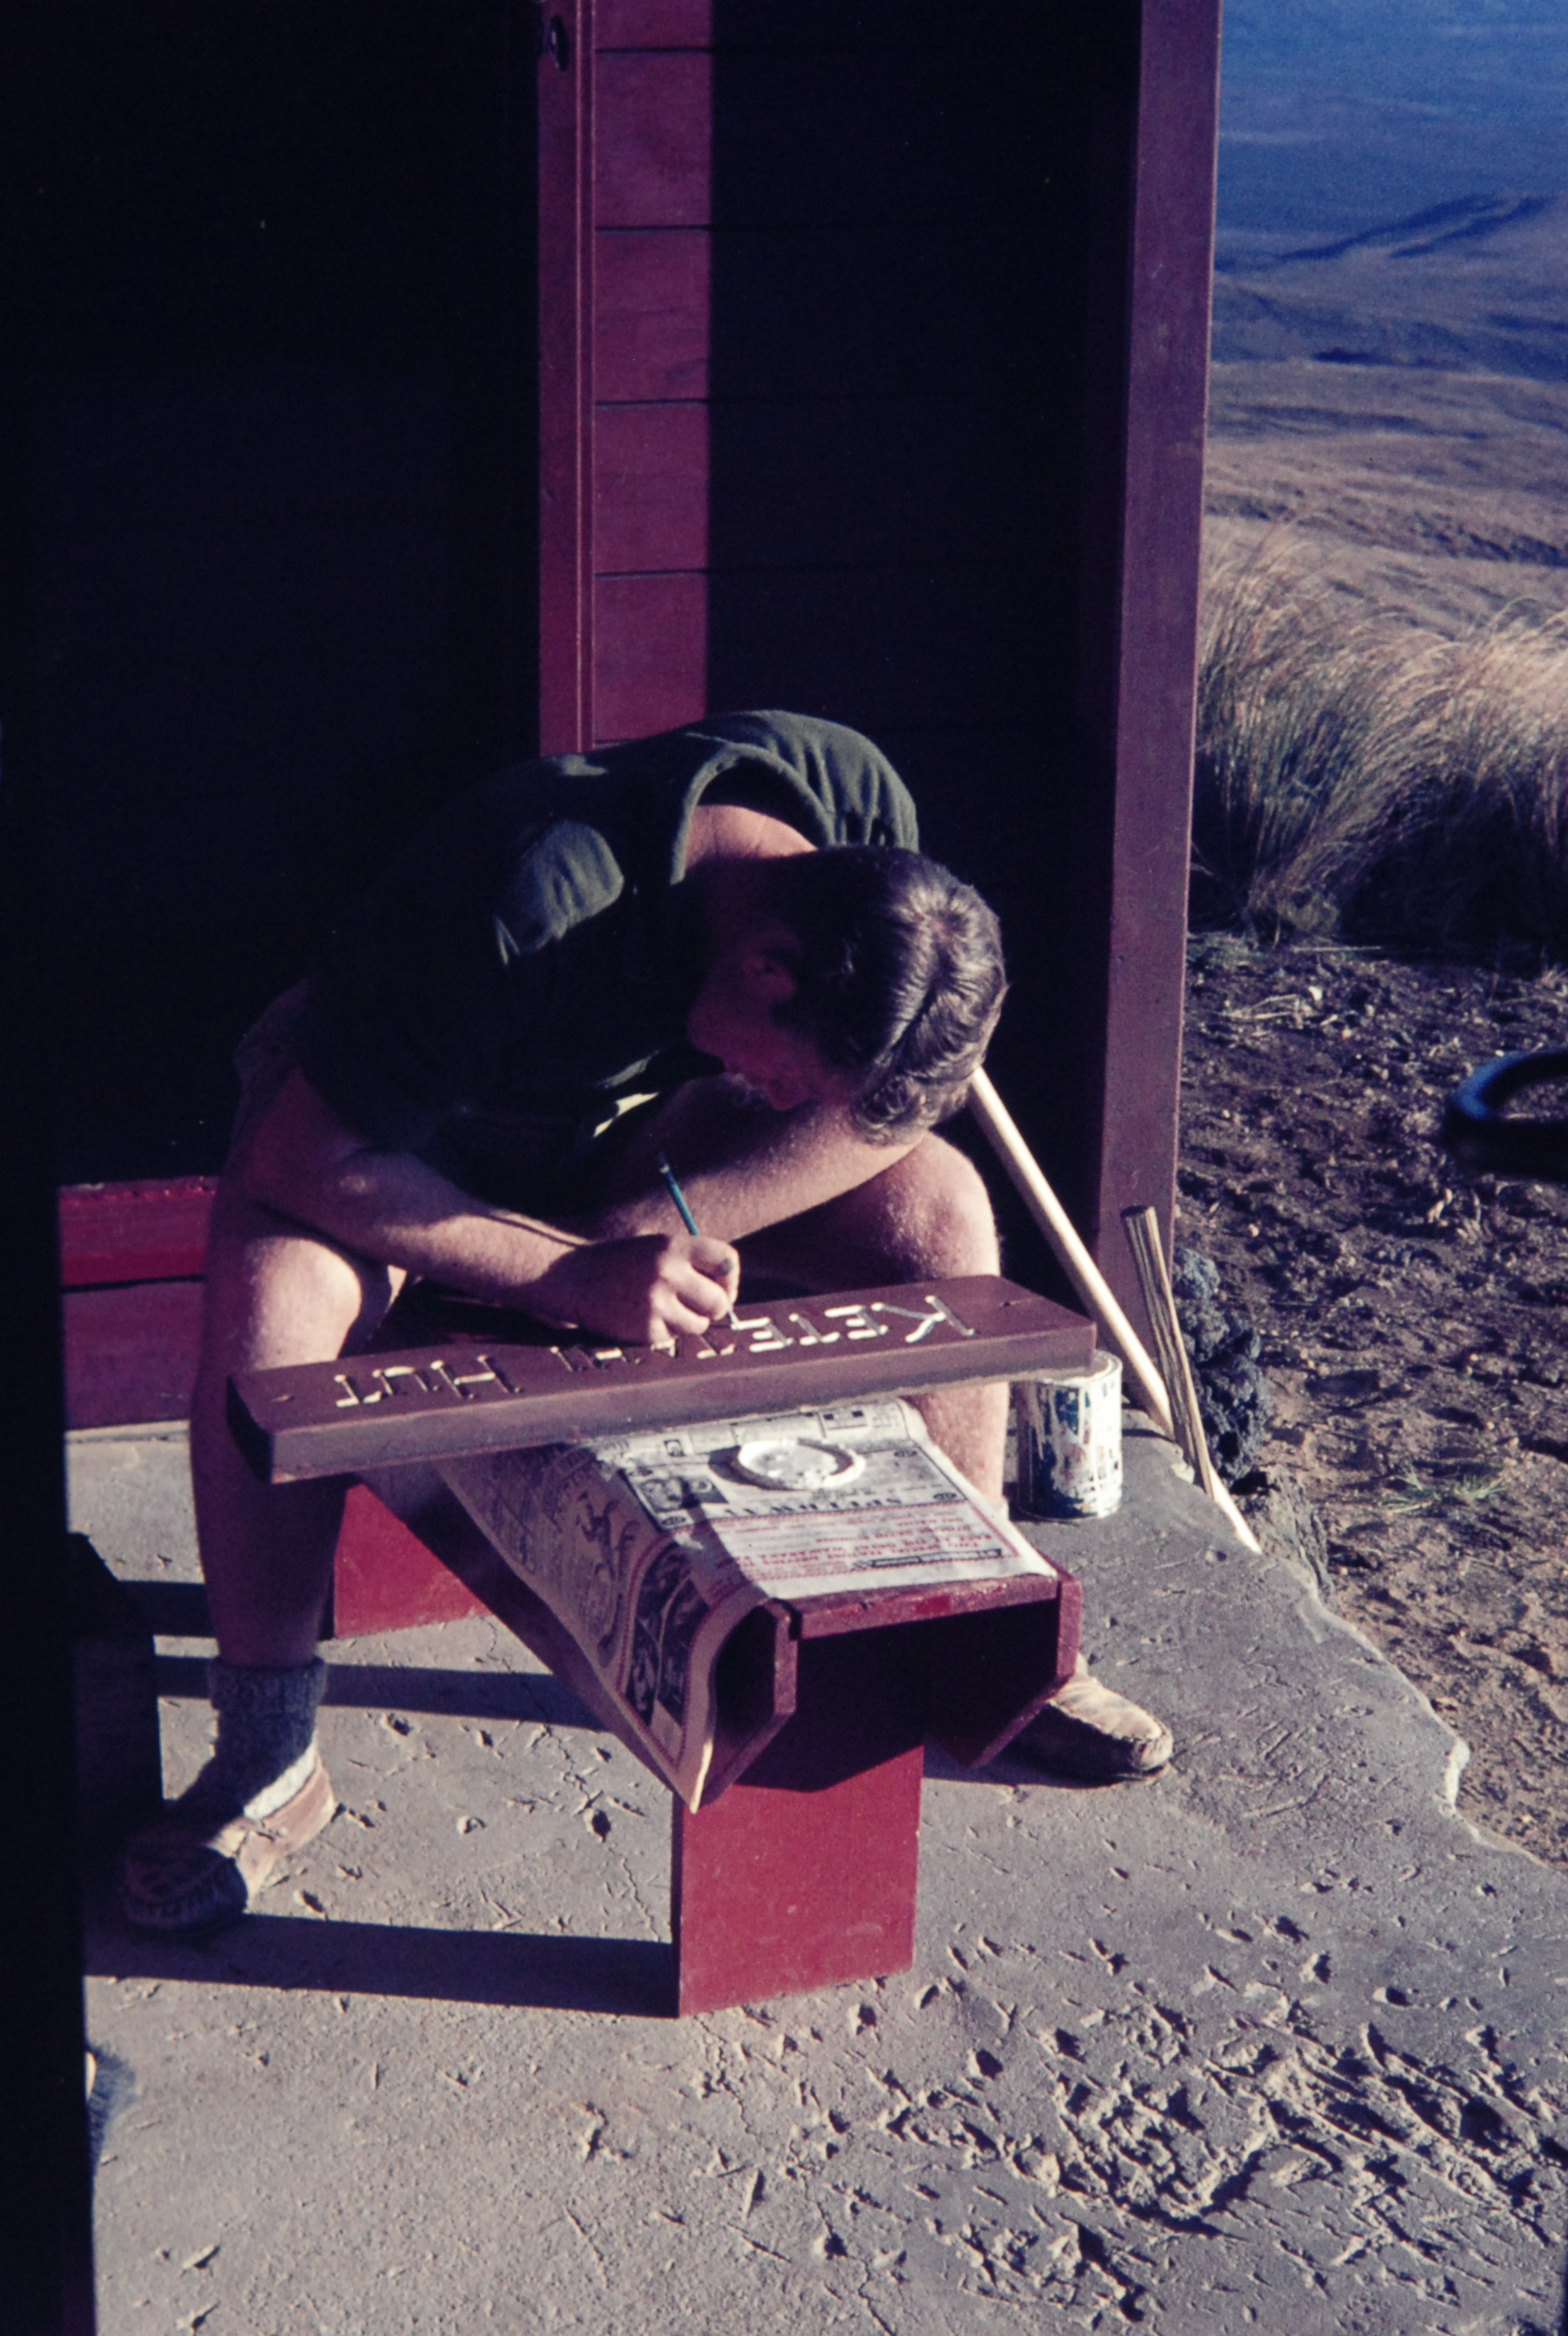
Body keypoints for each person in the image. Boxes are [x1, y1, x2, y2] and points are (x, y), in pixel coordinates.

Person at [122, 711, 1171, 1934]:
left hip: (626, 1134)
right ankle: (268, 1761)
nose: (789, 1107)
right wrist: (564, 1278)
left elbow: (874, 1116)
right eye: (791, 1077)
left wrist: (658, 1217)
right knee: (273, 1308)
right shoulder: (533, 894)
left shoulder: (854, 813)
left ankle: (969, 1628)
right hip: (387, 1134)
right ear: (765, 968)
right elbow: (304, 1156)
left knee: (940, 1200)